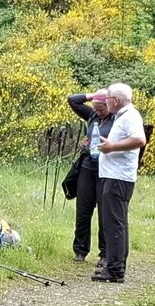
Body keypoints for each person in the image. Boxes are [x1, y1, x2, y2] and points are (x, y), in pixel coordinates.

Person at [94, 82, 145, 284]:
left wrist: (112, 146)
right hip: (114, 175)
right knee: (116, 221)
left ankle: (115, 270)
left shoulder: (130, 116)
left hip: (118, 177)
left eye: (107, 98)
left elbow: (140, 140)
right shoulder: (122, 116)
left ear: (115, 100)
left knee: (114, 223)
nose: (105, 101)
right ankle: (116, 264)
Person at [67, 89, 113, 264]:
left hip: (106, 169)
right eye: (96, 108)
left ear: (109, 104)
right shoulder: (92, 115)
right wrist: (95, 96)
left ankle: (105, 253)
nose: (98, 111)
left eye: (101, 108)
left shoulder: (116, 119)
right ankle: (80, 251)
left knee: (104, 212)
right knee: (83, 211)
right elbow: (73, 100)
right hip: (87, 167)